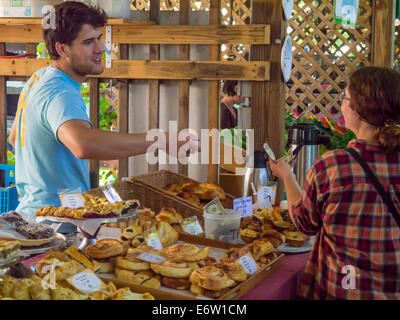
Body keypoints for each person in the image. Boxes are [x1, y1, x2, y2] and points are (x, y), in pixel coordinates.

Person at [9, 1, 199, 220]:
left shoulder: (40, 77)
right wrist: (160, 140)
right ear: (63, 49)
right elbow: (83, 144)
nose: (101, 48)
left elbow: (15, 138)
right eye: (89, 42)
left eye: (99, 38)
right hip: (54, 223)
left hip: (32, 213)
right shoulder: (60, 92)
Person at [269, 66, 400, 299]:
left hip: (343, 291)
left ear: (359, 111)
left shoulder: (333, 166)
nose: (342, 104)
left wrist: (287, 176)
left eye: (345, 98)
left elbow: (304, 223)